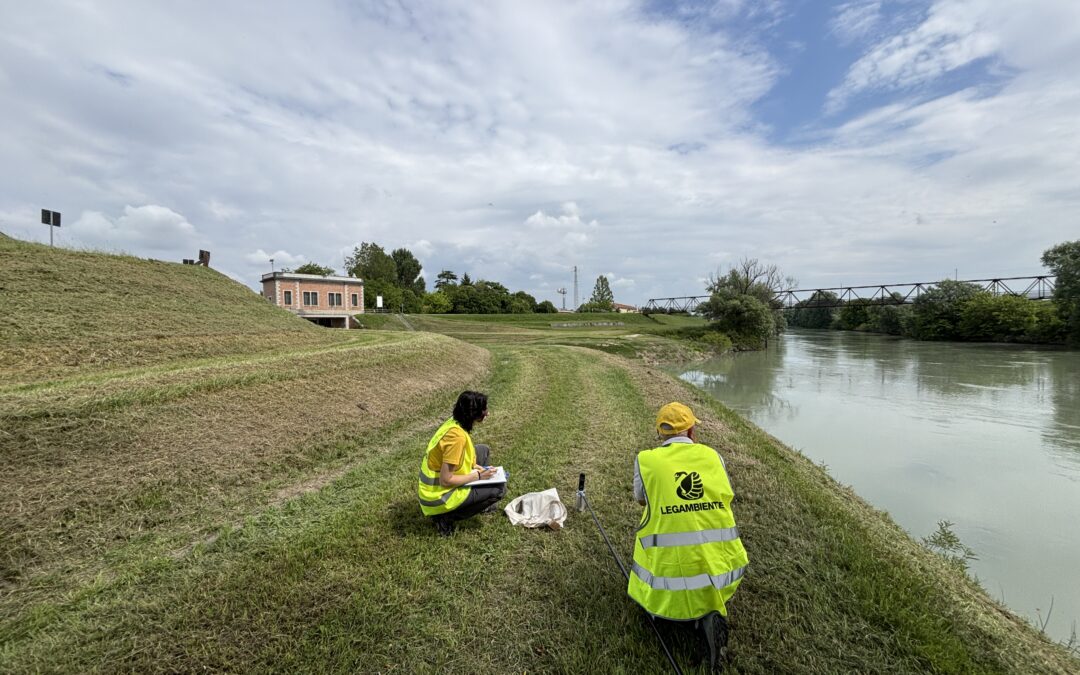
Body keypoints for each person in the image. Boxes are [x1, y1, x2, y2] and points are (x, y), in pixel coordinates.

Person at [627, 402, 749, 671]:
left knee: (651, 530)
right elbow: (726, 492)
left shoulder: (646, 460)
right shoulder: (713, 457)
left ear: (660, 434)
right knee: (705, 585)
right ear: (692, 431)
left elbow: (641, 499)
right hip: (719, 570)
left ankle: (660, 613)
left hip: (666, 578)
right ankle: (707, 613)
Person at [417, 390, 507, 536]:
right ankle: (444, 517)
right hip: (439, 497)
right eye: (484, 410)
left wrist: (476, 467)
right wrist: (478, 476)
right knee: (499, 489)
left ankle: (480, 503)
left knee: (483, 450)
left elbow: (461, 456)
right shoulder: (456, 438)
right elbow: (446, 480)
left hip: (436, 489)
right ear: (474, 413)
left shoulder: (454, 422)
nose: (488, 413)